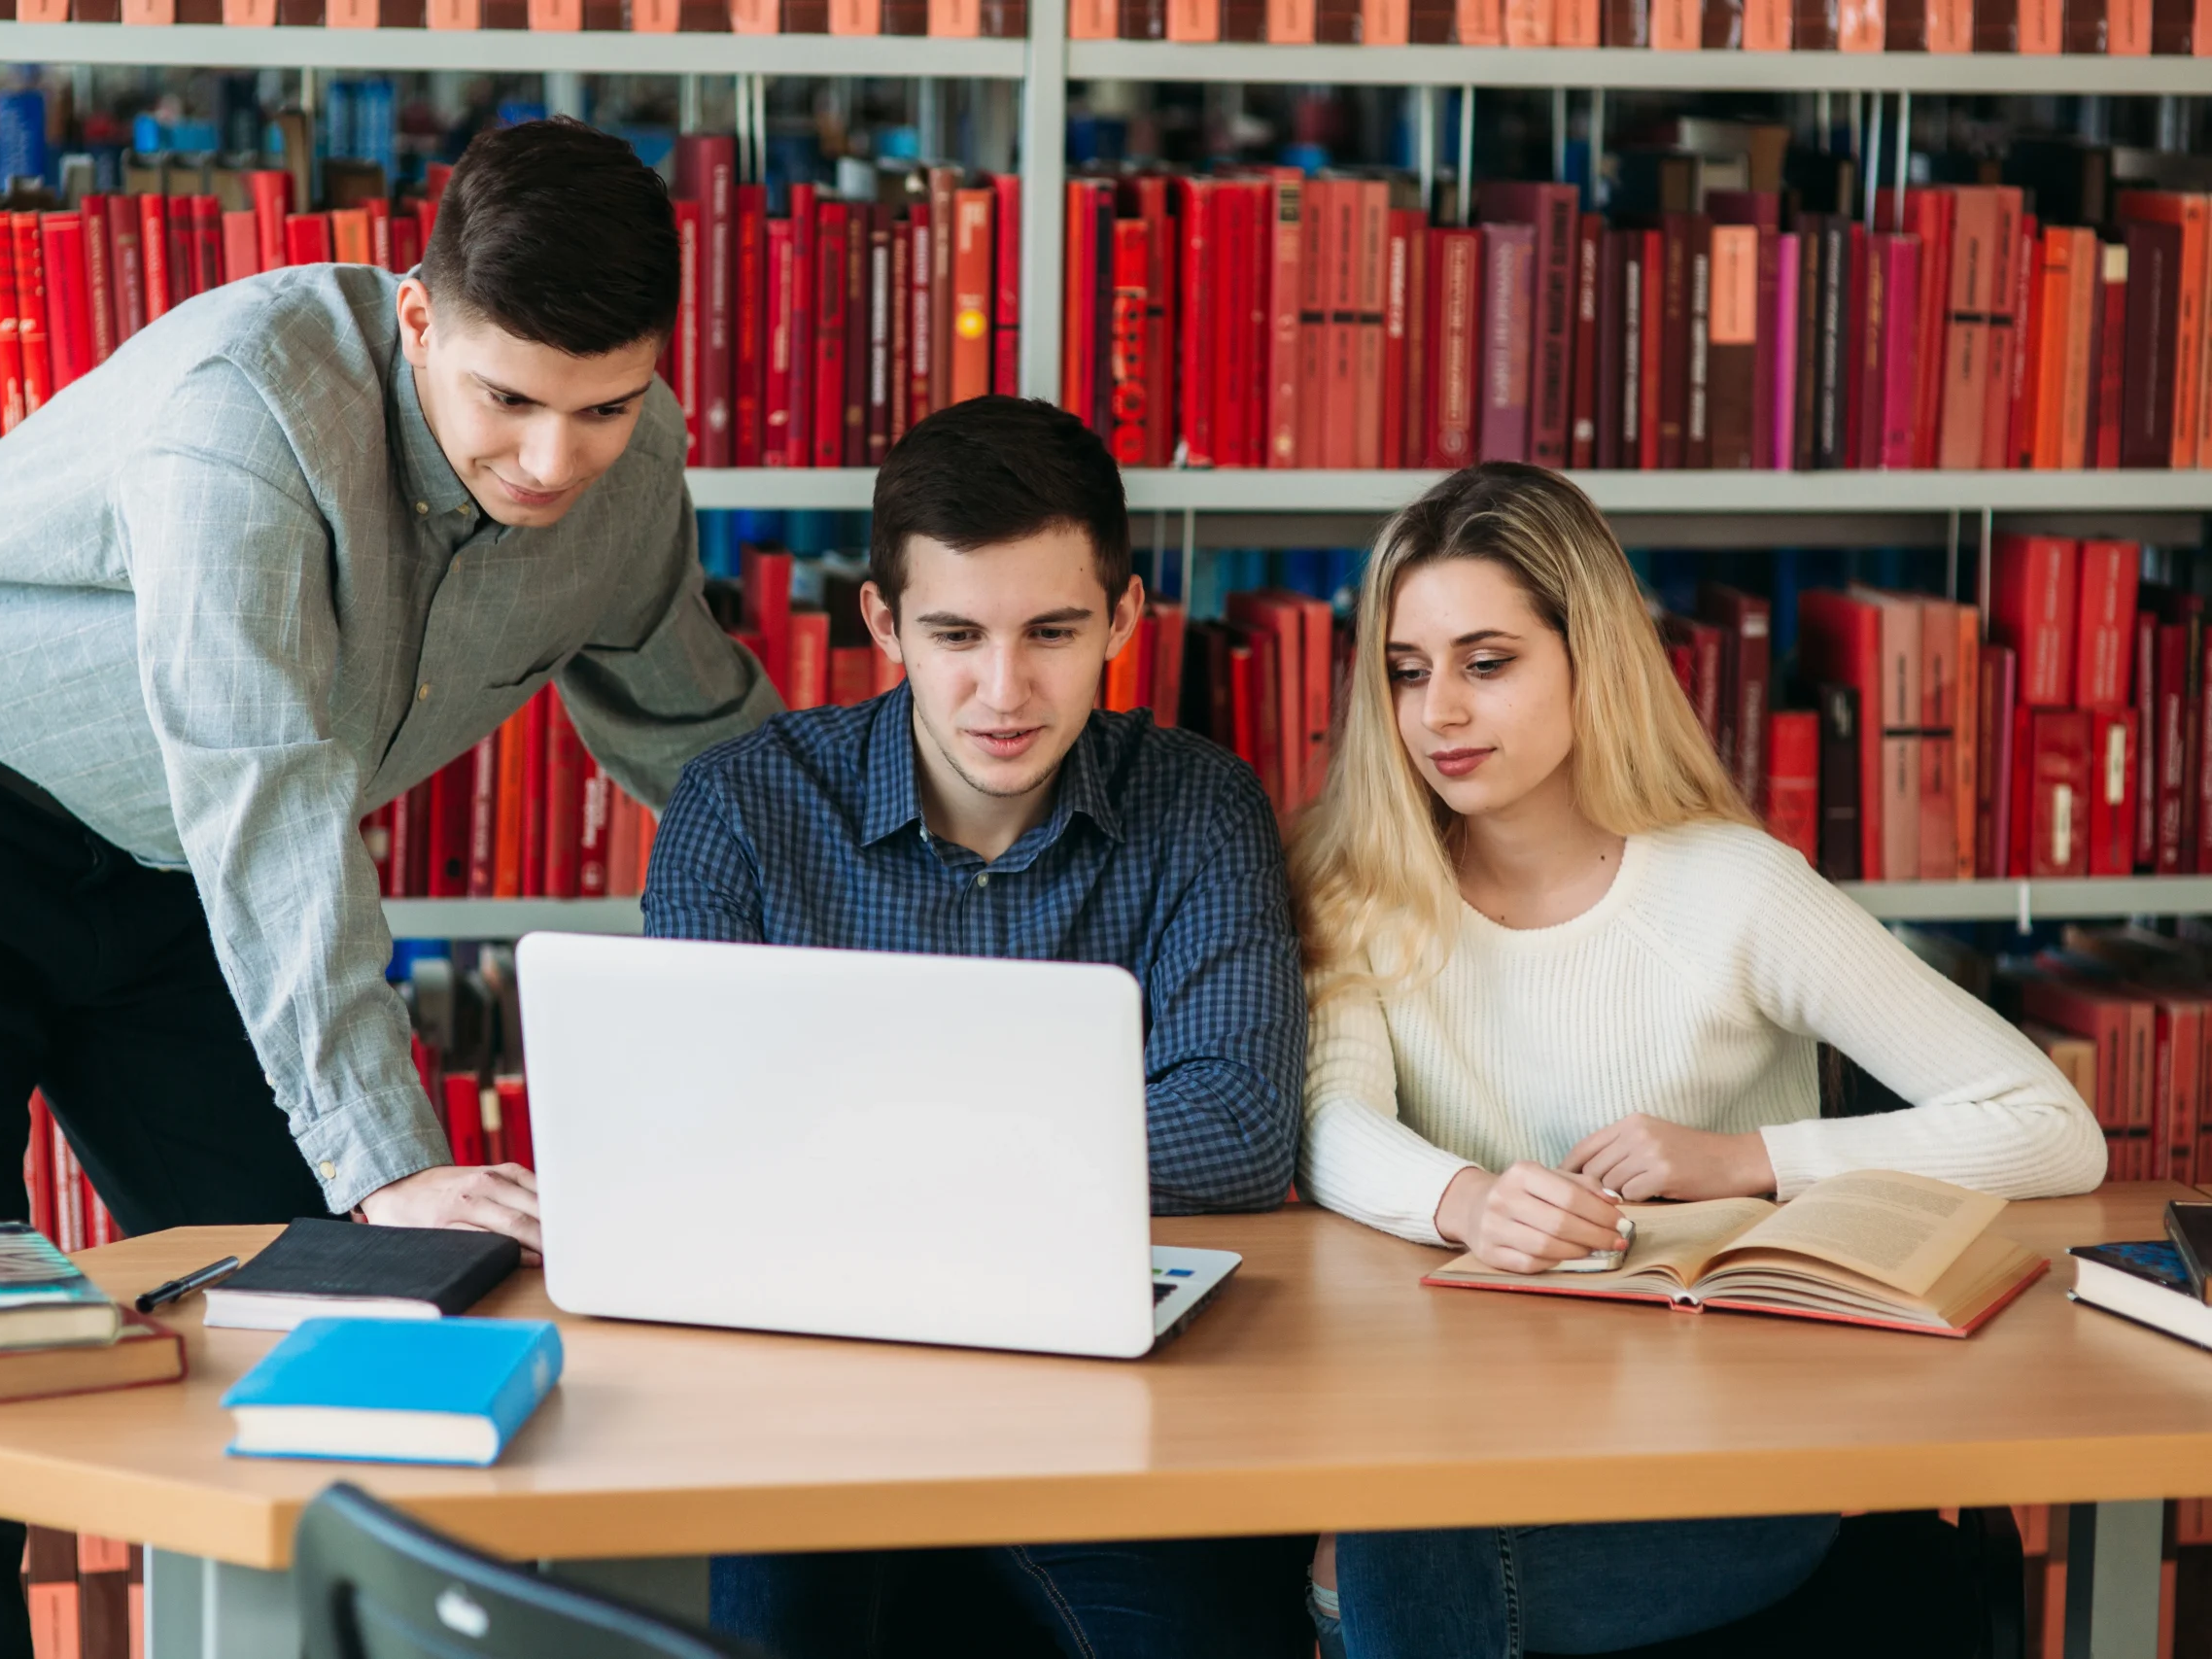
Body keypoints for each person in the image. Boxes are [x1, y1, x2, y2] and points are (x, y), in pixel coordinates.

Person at [0, 119, 778, 1659]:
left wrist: (898, 924)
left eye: (605, 406)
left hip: (169, 868)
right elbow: (265, 787)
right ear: (418, 313)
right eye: (508, 399)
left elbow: (702, 736)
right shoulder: (248, 408)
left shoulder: (625, 480)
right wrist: (390, 1162)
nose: (554, 460)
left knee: (340, 1331)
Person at [1287, 463, 2106, 1659]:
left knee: (1386, 1547)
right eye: (1407, 673)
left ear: (1591, 659)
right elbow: (1327, 1119)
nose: (1437, 715)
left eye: (1487, 662)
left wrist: (1745, 1159)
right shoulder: (1364, 891)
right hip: (1469, 1437)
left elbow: (2048, 1123)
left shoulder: (1733, 891)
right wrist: (1461, 1199)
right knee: (1384, 1521)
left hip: (1729, 1463)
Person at [640, 394, 1310, 1659]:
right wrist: (1037, 1155)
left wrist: (850, 1149)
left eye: (1055, 631)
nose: (1005, 690)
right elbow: (693, 1146)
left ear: (1123, 617)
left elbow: (1233, 1127)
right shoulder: (742, 806)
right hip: (813, 1408)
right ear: (883, 622)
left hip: (1112, 1404)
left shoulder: (1198, 804)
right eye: (955, 633)